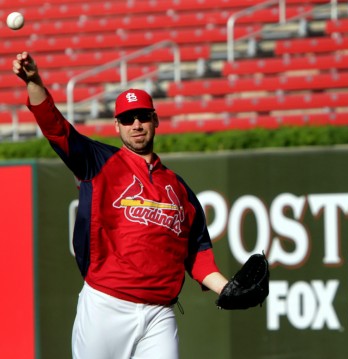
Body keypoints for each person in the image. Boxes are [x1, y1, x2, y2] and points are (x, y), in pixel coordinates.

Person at [13, 51, 229, 359]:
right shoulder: (98, 162)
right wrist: (34, 82)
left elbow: (197, 252)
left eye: (142, 116)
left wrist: (227, 289)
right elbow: (55, 128)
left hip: (160, 314)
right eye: (128, 119)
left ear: (155, 119)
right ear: (117, 126)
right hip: (106, 305)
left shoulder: (180, 189)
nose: (136, 124)